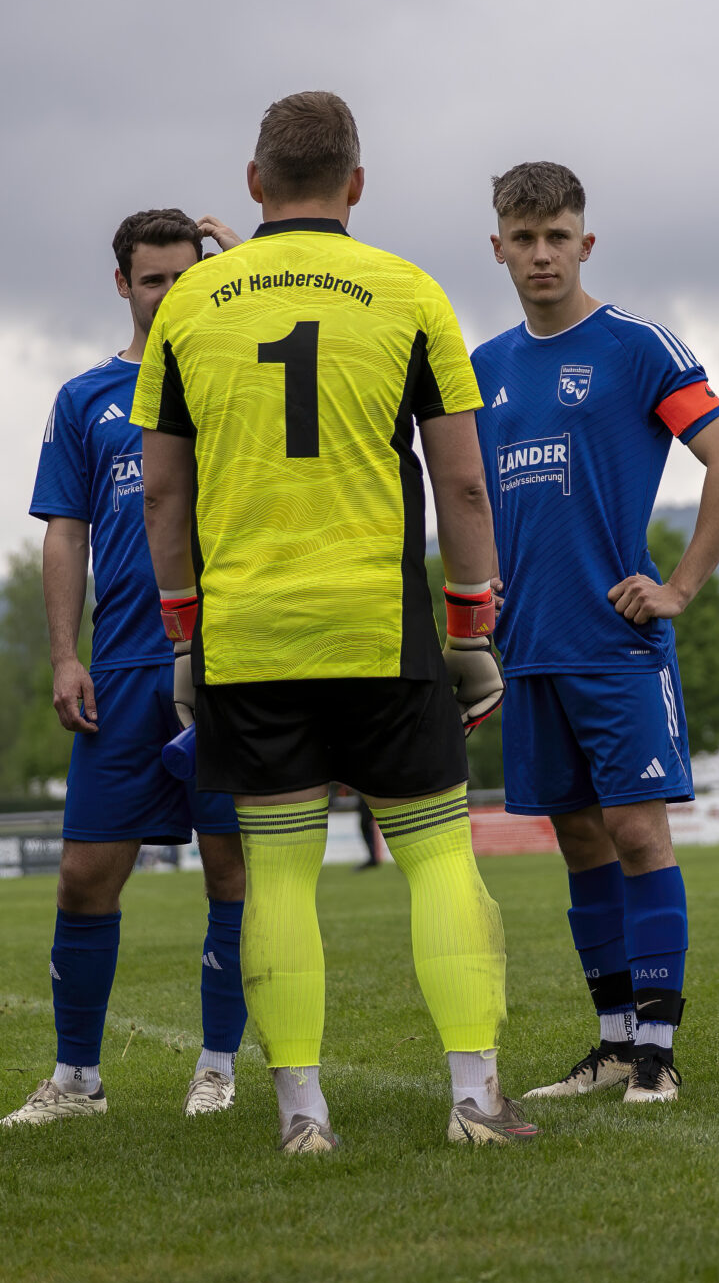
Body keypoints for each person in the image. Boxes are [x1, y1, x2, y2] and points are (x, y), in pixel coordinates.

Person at [135, 90, 523, 1152]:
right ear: (355, 185)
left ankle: (303, 1117)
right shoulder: (408, 291)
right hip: (380, 622)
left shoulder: (190, 303)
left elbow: (161, 496)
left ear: (255, 185)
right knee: (439, 859)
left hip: (251, 632)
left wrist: (181, 635)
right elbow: (465, 485)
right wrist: (473, 628)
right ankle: (475, 1102)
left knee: (281, 873)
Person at [466, 164, 719, 1107]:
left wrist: (679, 585)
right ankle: (611, 1042)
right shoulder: (485, 368)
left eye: (558, 236)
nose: (541, 253)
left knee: (638, 831)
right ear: (499, 247)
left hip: (616, 644)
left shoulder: (638, 349)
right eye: (524, 236)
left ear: (585, 243)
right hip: (531, 647)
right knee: (580, 841)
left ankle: (658, 1055)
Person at [4, 207, 251, 1128]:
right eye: (154, 280)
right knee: (83, 875)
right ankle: (77, 1082)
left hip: (225, 664)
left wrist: (248, 263)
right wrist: (66, 653)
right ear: (123, 284)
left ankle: (218, 1067)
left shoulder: (237, 380)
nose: (171, 294)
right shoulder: (84, 400)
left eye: (188, 277)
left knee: (232, 871)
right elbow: (64, 532)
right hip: (124, 667)